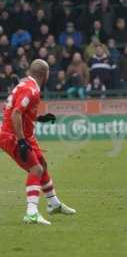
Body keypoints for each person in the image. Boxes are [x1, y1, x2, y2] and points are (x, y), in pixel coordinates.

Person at [0, 59, 76, 225]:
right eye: (49, 72)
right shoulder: (31, 89)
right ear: (44, 74)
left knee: (42, 164)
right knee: (36, 168)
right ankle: (31, 213)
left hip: (22, 134)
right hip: (12, 136)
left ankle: (53, 204)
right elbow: (16, 114)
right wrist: (20, 142)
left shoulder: (26, 83)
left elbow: (19, 110)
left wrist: (39, 118)